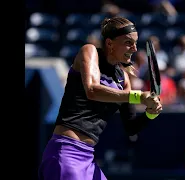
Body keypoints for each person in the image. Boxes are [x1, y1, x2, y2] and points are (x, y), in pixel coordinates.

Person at [38, 16, 163, 180]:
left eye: (135, 42)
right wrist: (138, 97)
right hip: (67, 153)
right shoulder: (89, 51)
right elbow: (92, 90)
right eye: (127, 42)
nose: (134, 48)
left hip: (89, 160)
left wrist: (151, 113)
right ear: (110, 44)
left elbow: (131, 127)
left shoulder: (124, 79)